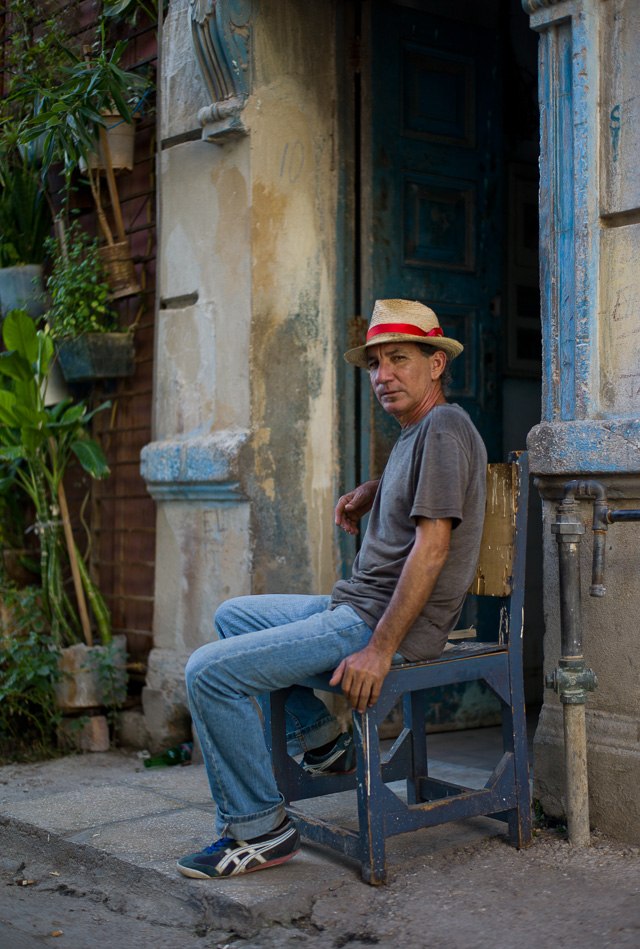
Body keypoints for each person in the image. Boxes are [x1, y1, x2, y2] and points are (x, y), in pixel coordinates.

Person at [177, 299, 487, 879]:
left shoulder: (444, 427)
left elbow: (434, 549)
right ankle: (324, 742)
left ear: (436, 364)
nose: (383, 375)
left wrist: (380, 648)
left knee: (209, 673)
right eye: (374, 364)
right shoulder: (418, 434)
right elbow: (430, 496)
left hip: (378, 622)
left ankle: (259, 829)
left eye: (399, 359)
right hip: (356, 605)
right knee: (232, 616)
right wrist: (377, 488)